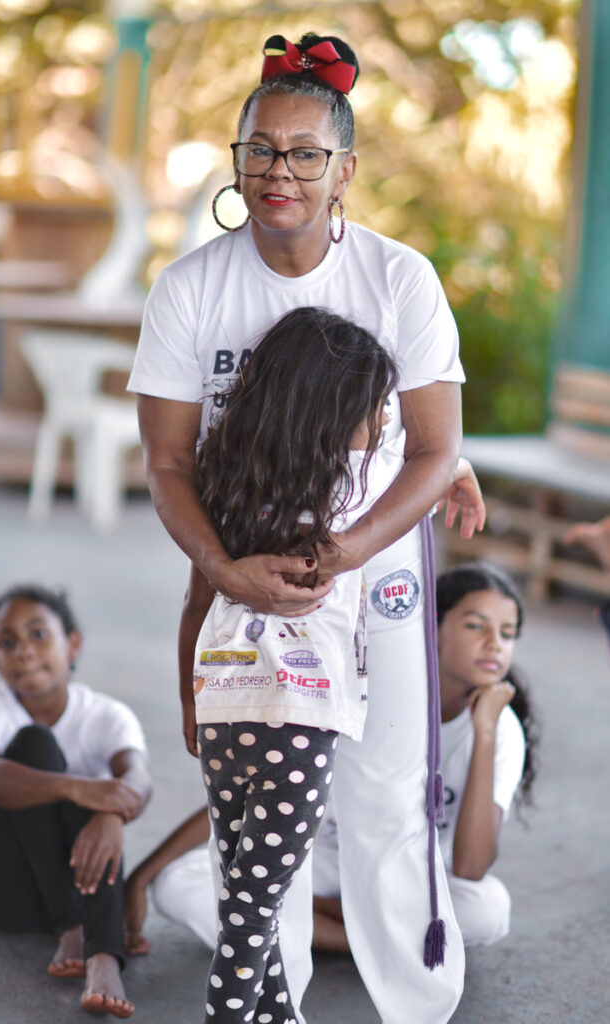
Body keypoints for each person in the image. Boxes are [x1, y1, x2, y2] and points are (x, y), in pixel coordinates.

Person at [128, 31, 483, 1024]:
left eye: (303, 153)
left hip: (375, 569)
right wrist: (221, 568)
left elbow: (432, 449)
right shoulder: (190, 289)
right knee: (259, 811)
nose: (277, 171)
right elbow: (166, 464)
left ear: (344, 171)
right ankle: (265, 1001)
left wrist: (348, 552)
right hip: (241, 578)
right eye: (259, 149)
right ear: (236, 158)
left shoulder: (397, 279)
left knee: (385, 789)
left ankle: (415, 1002)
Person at [123, 562, 537, 959]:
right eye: (475, 625)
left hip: (402, 880)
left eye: (508, 633)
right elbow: (258, 796)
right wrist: (143, 875)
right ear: (433, 627)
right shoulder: (369, 692)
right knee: (176, 883)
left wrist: (485, 731)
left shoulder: (500, 729)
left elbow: (470, 867)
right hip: (318, 859)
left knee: (487, 909)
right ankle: (370, 946)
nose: (494, 643)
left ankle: (297, 927)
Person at [193, 306, 399, 1023]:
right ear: (335, 409)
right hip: (298, 719)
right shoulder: (354, 487)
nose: (384, 422)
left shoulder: (227, 482)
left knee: (248, 898)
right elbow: (432, 468)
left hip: (224, 708)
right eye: (376, 406)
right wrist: (459, 469)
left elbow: (195, 595)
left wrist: (188, 701)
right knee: (251, 916)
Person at [0, 584, 151, 1020]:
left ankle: (103, 957)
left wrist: (110, 813)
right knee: (36, 747)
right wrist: (80, 788)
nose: (23, 651)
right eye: (7, 643)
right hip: (0, 891)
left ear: (72, 644)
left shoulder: (106, 715)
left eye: (38, 634)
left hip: (77, 882)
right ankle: (74, 927)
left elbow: (137, 780)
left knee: (101, 801)